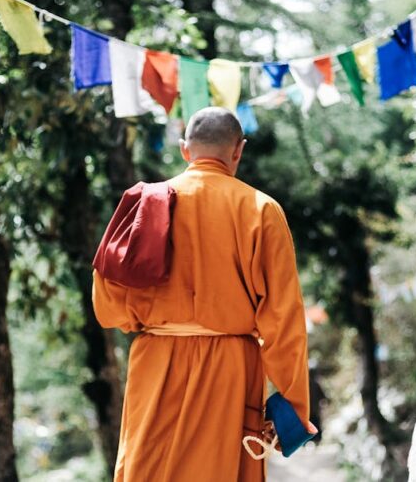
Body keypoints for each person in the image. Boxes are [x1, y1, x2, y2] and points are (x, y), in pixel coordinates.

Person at [92, 107, 316, 482]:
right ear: (238, 151)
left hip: (156, 364)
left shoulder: (145, 205)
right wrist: (292, 408)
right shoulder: (261, 210)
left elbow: (107, 303)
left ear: (184, 150)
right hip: (229, 369)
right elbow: (283, 319)